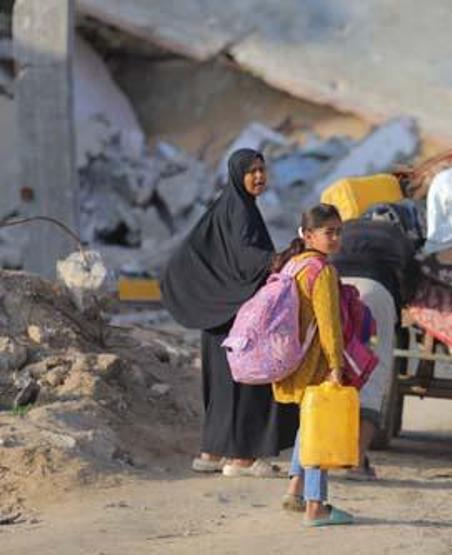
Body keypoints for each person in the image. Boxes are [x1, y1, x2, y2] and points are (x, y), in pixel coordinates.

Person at [161, 148, 298, 478]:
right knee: (248, 381)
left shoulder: (227, 207)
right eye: (251, 171)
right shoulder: (239, 211)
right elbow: (244, 257)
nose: (259, 177)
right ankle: (242, 458)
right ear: (237, 174)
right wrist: (278, 259)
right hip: (237, 322)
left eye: (262, 170)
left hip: (219, 314)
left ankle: (211, 452)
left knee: (222, 386)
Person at [274, 203, 354, 527]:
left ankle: (294, 490)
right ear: (308, 235)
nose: (335, 238)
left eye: (338, 231)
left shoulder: (293, 265)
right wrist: (336, 365)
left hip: (292, 359)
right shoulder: (322, 270)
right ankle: (315, 506)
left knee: (308, 424)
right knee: (321, 428)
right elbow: (329, 325)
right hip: (315, 363)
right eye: (328, 232)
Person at [329, 217, 419, 479]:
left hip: (336, 285)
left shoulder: (347, 225)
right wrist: (402, 303)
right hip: (376, 290)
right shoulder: (396, 233)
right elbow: (410, 278)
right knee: (374, 371)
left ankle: (330, 451)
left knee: (336, 364)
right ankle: (356, 462)